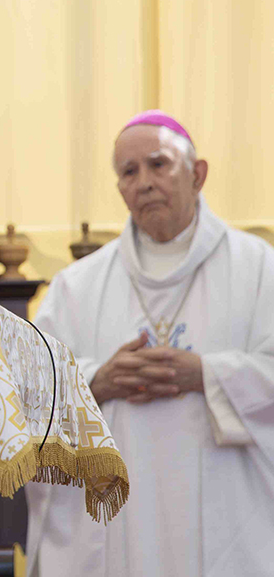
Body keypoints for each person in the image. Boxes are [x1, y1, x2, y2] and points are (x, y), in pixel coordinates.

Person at [26, 110, 274, 576]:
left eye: (159, 164)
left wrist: (206, 374)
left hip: (232, 521)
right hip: (119, 525)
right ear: (119, 188)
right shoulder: (76, 287)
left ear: (197, 174)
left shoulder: (261, 270)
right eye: (129, 172)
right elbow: (27, 397)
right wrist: (95, 381)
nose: (144, 182)